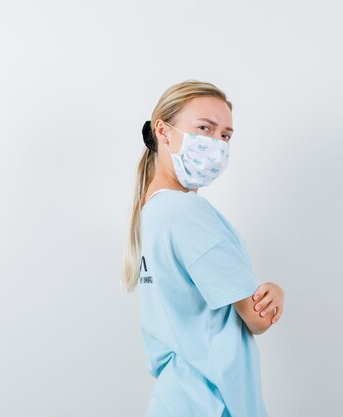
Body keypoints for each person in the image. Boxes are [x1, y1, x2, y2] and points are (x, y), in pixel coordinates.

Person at [120, 79, 285, 417]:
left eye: (225, 135)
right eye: (204, 128)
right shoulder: (186, 212)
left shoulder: (152, 211)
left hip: (179, 397)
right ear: (163, 131)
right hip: (211, 399)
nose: (217, 143)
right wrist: (275, 294)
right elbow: (257, 318)